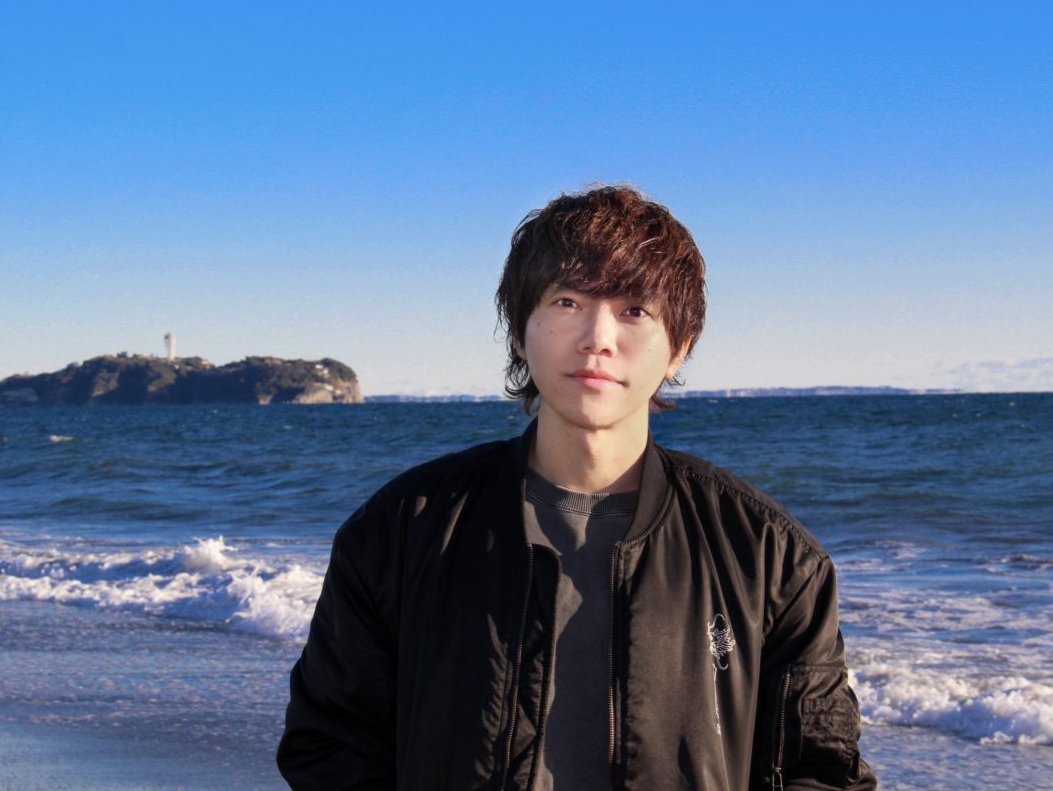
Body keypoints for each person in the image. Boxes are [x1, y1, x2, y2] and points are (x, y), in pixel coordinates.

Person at [277, 185, 877, 790]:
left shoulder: (769, 557)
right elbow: (331, 745)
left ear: (679, 348)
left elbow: (823, 772)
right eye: (567, 301)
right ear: (520, 331)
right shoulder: (402, 532)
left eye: (634, 310)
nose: (597, 338)